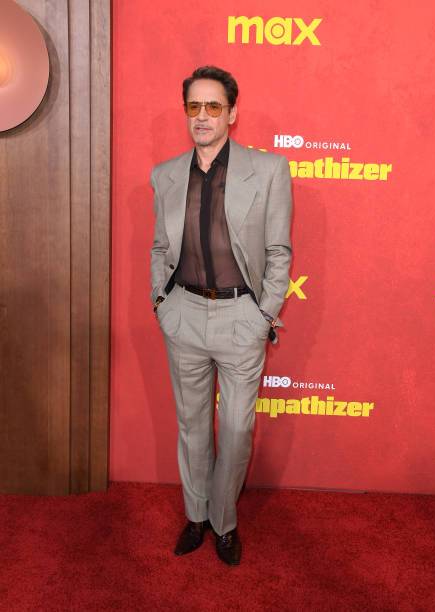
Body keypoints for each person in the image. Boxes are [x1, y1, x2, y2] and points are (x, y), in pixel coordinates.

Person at [150, 65, 292, 566]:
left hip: (240, 318)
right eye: (194, 106)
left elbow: (278, 252)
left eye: (213, 106)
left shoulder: (269, 170)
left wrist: (263, 314)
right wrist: (161, 303)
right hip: (183, 314)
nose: (203, 116)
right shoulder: (165, 175)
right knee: (192, 427)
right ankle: (196, 516)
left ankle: (224, 521)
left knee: (234, 431)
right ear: (186, 112)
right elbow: (160, 247)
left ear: (231, 113)